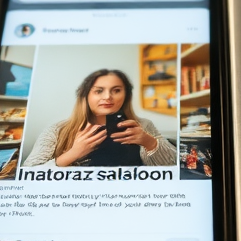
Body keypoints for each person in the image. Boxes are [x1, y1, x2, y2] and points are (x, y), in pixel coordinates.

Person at [23, 68, 177, 167]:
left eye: (116, 90)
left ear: (126, 96)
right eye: (98, 91)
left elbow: (174, 166)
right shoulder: (57, 130)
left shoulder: (144, 125)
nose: (108, 97)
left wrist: (149, 142)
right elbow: (28, 174)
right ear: (85, 95)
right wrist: (72, 154)